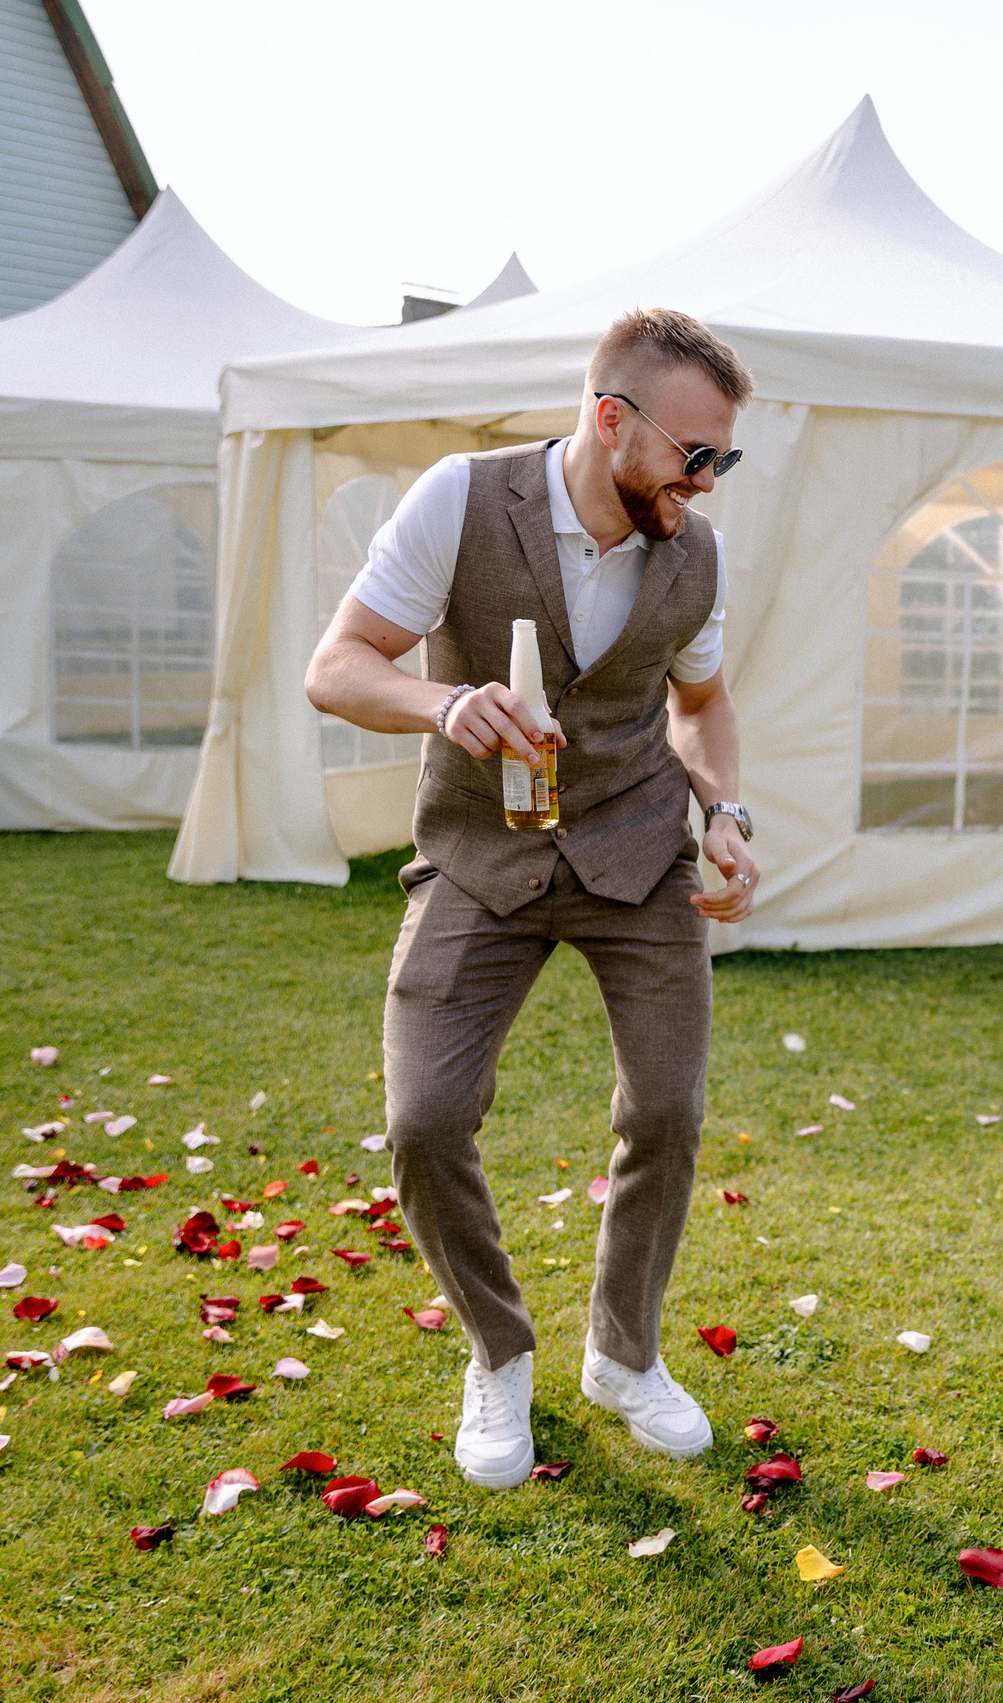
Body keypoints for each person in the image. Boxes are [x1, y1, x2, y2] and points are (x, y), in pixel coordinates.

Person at [303, 309, 760, 1486]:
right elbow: (337, 665)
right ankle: (498, 1349)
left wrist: (729, 815)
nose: (705, 482)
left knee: (666, 1110)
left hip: (637, 850)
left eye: (723, 459)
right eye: (692, 455)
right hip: (477, 853)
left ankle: (622, 1353)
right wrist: (442, 705)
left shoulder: (696, 555)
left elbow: (700, 709)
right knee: (425, 1118)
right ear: (613, 421)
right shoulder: (460, 498)